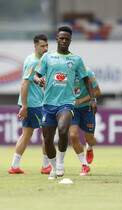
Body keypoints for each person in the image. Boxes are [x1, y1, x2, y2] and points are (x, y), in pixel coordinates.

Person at [34, 26, 97, 180]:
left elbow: (86, 79)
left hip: (67, 103)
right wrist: (39, 80)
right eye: (61, 38)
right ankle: (54, 167)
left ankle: (61, 163)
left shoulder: (76, 60)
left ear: (70, 40)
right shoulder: (47, 57)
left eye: (66, 39)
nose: (63, 41)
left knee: (63, 130)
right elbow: (36, 76)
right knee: (47, 139)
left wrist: (93, 98)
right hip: (48, 103)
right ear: (57, 38)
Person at [8, 34, 50, 174]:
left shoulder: (34, 59)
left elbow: (32, 80)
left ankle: (14, 166)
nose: (45, 48)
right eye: (42, 46)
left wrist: (39, 82)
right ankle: (46, 166)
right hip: (33, 105)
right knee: (47, 133)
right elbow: (24, 83)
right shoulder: (33, 62)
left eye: (46, 45)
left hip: (33, 103)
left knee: (26, 134)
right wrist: (25, 106)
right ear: (35, 46)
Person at [69, 68, 101, 176]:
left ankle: (89, 147)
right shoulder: (66, 72)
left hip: (87, 108)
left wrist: (81, 101)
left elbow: (97, 91)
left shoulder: (88, 73)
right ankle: (84, 165)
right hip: (72, 109)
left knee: (90, 139)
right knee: (73, 135)